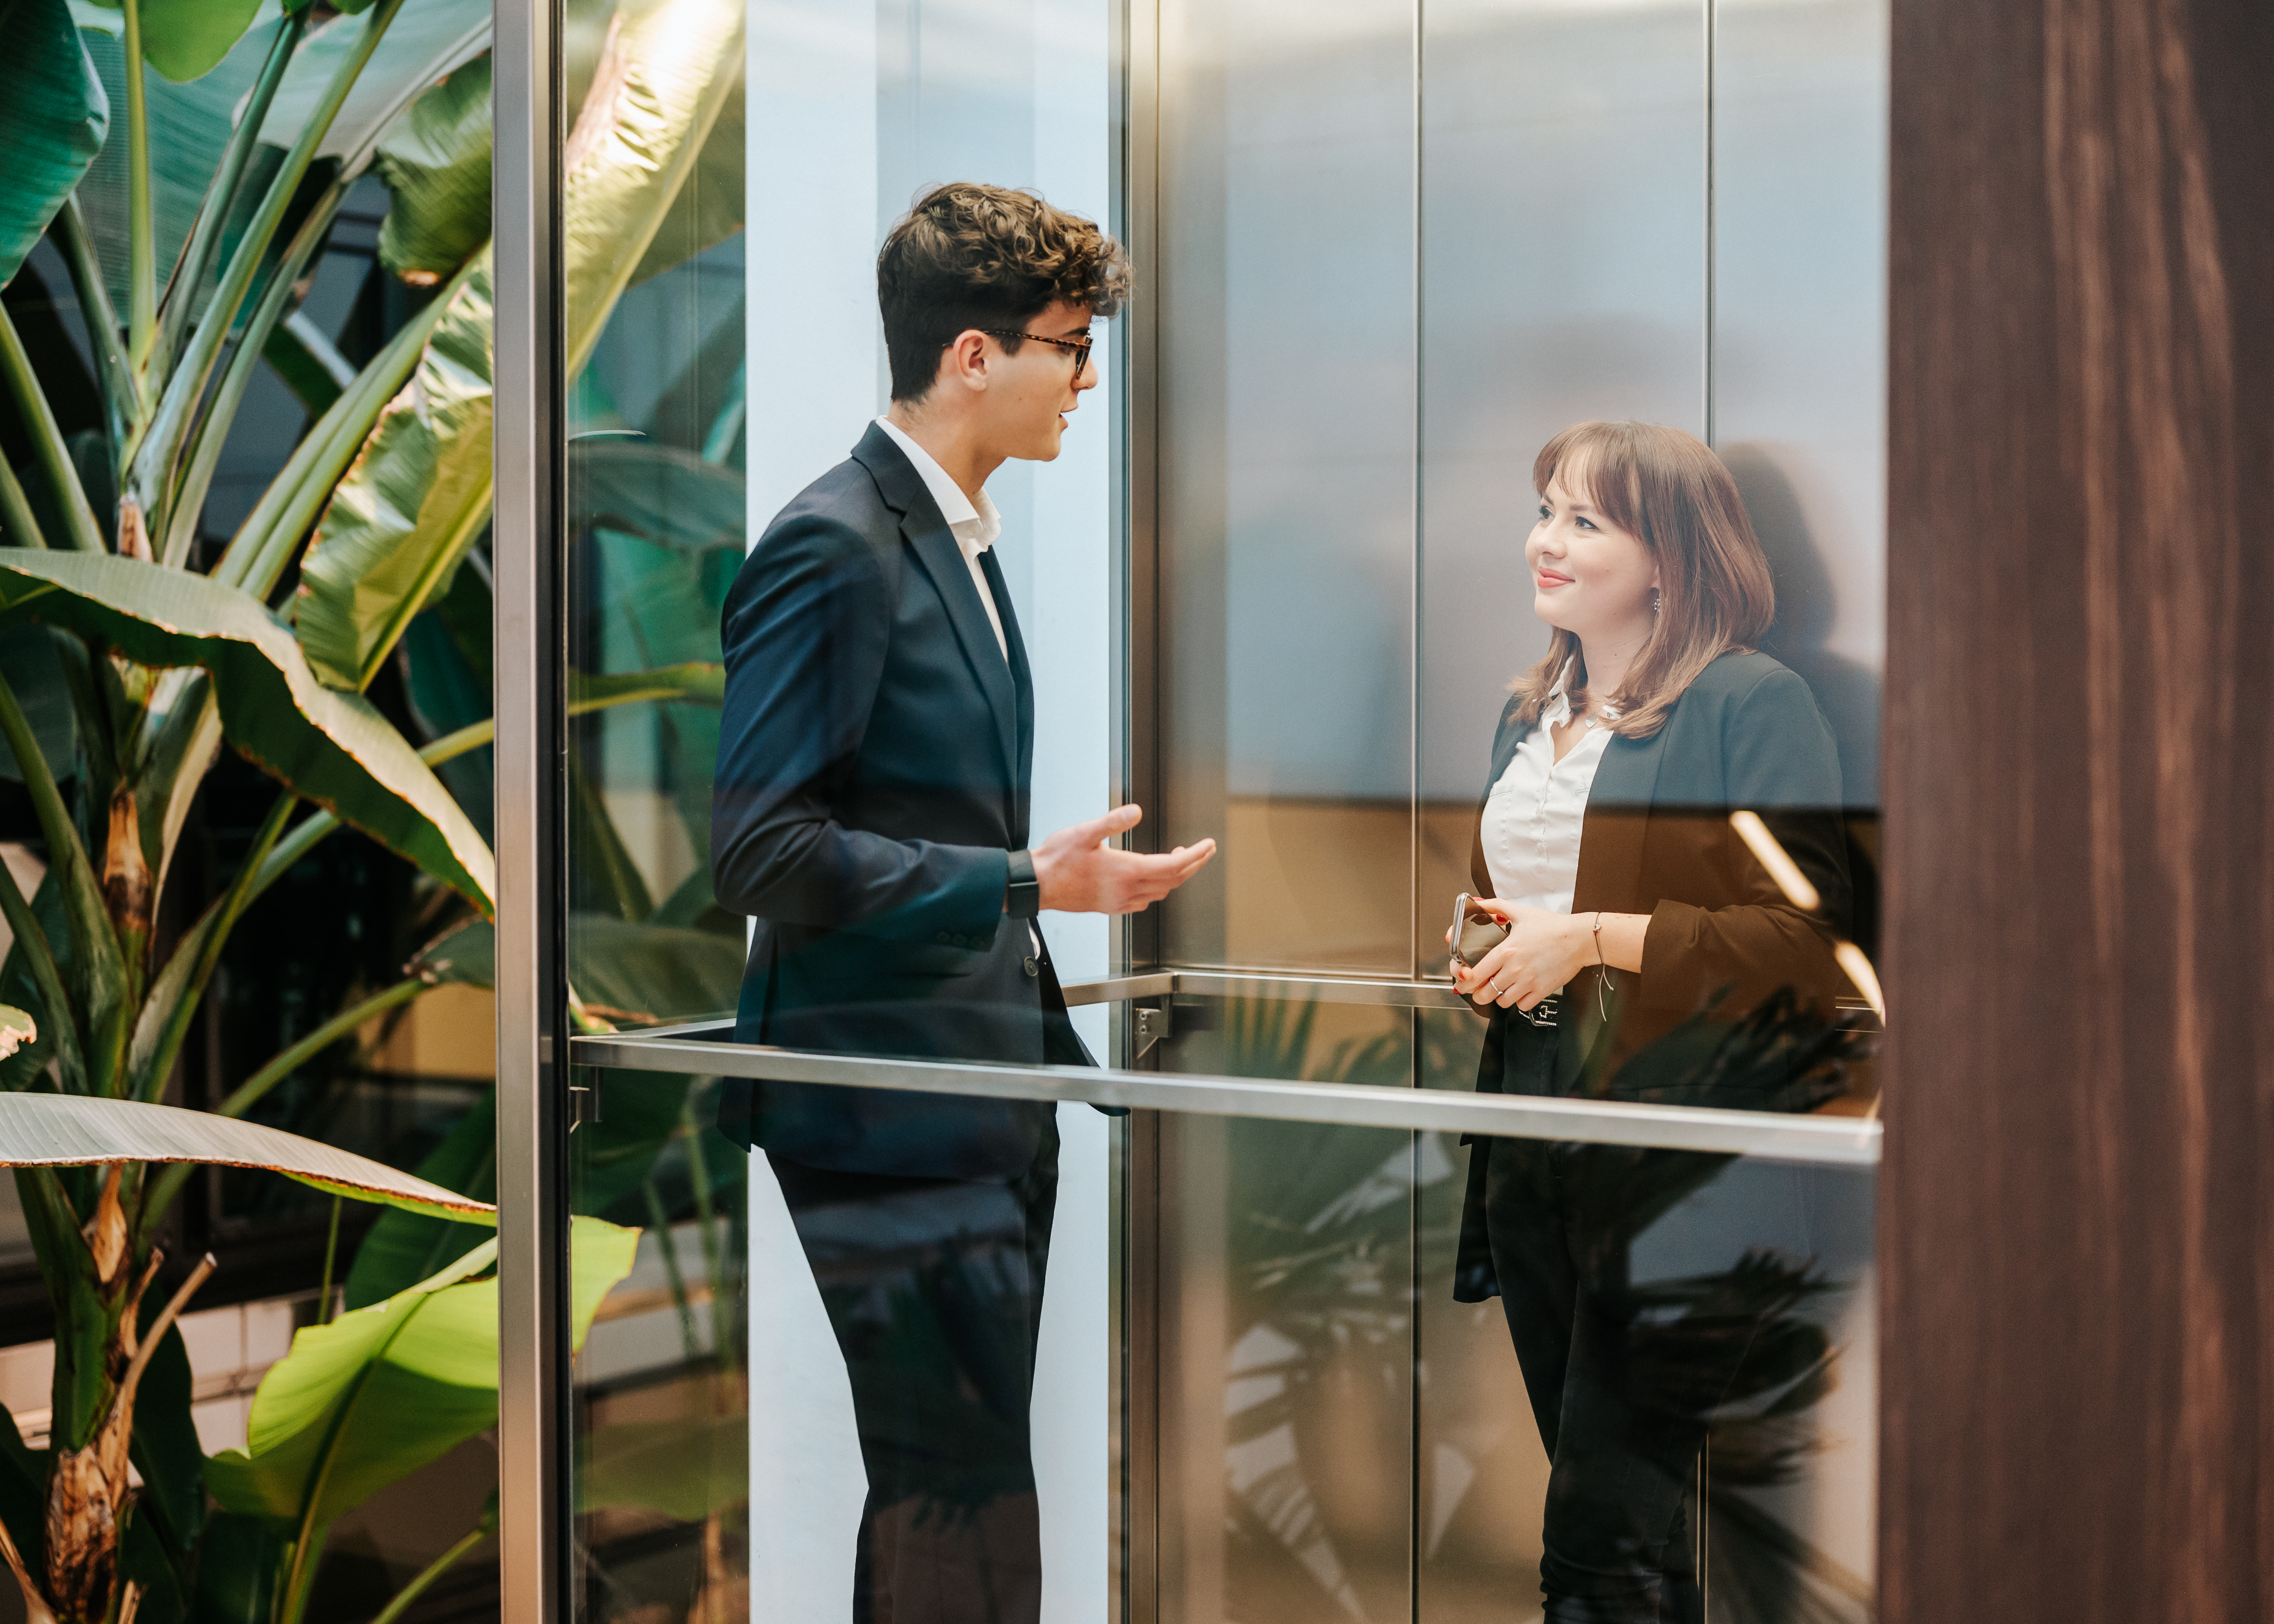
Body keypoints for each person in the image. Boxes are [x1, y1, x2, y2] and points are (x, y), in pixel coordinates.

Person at [711, 182, 1214, 1624]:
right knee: (952, 1483)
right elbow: (759, 850)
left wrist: (1055, 888)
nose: (1089, 377)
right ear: (975, 356)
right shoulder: (836, 543)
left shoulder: (951, 537)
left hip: (971, 1093)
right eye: (1071, 343)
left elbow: (906, 826)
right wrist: (1011, 880)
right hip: (884, 1110)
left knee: (970, 1487)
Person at [1446, 420, 1857, 1624]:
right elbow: (1538, 907)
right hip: (1532, 1145)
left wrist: (1588, 935)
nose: (1547, 542)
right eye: (1545, 511)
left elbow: (1811, 941)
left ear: (1671, 556)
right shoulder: (1529, 714)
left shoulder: (1747, 700)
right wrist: (1497, 942)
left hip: (1678, 1171)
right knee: (1626, 1537)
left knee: (1596, 1547)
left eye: (1587, 520)